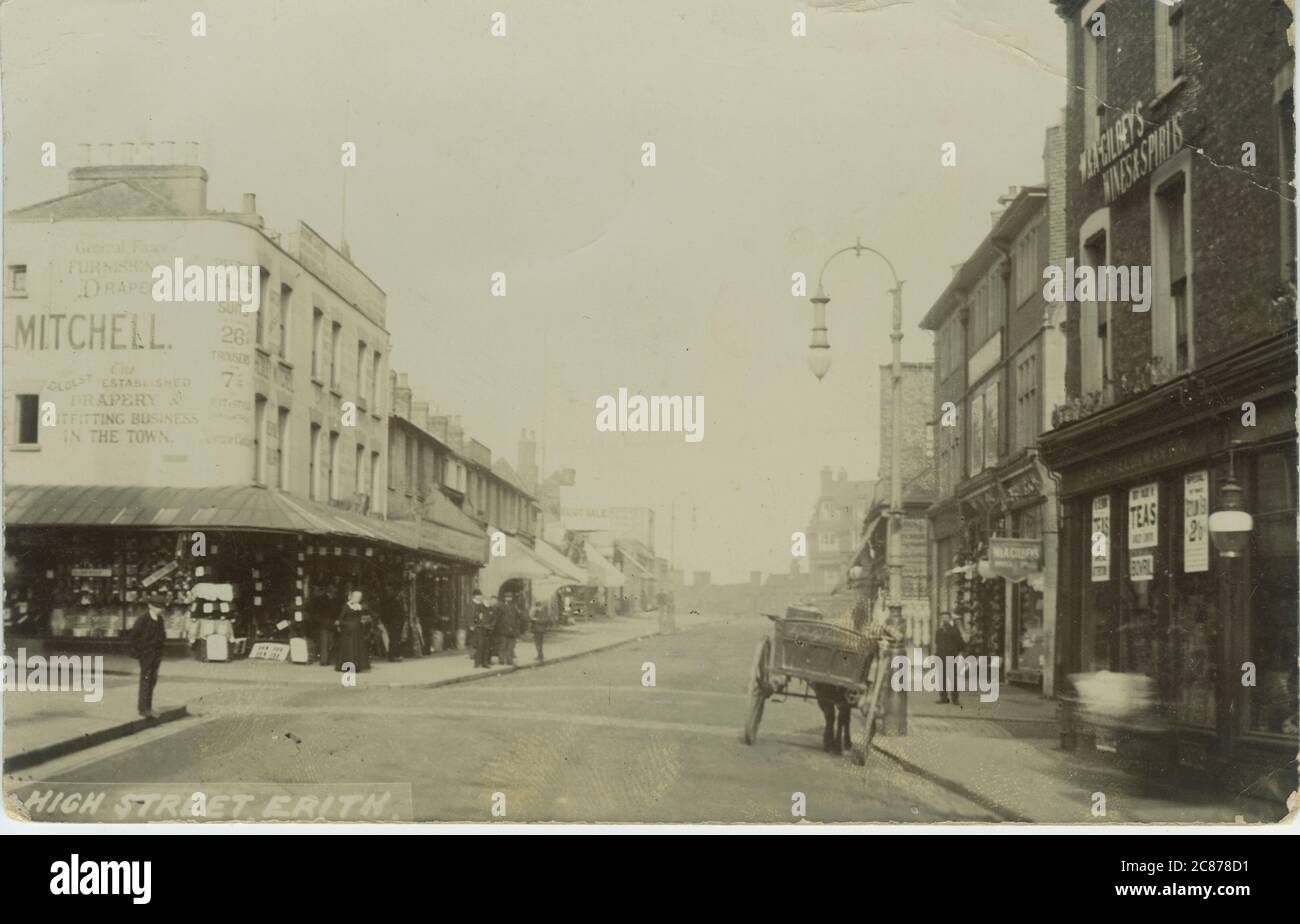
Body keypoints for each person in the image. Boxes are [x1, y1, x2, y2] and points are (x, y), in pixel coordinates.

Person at [128, 594, 168, 719]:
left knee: (152, 680)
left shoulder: (160, 620)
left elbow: (162, 636)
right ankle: (143, 708)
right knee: (146, 680)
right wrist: (139, 653)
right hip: (146, 654)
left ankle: (148, 707)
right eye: (157, 606)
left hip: (156, 655)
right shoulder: (143, 619)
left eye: (161, 607)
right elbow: (134, 636)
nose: (160, 609)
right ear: (150, 606)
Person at [334, 588, 373, 673]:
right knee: (350, 650)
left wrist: (364, 620)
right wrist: (348, 624)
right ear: (352, 597)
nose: (358, 599)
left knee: (358, 648)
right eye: (356, 597)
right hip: (348, 633)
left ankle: (358, 666)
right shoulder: (346, 606)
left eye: (359, 597)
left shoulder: (360, 606)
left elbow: (365, 615)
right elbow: (340, 619)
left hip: (358, 632)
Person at [934, 612, 966, 705]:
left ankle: (955, 699)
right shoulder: (939, 631)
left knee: (953, 678)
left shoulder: (954, 631)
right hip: (941, 657)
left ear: (949, 619)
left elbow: (961, 644)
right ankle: (943, 698)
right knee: (941, 678)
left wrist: (954, 653)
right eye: (943, 617)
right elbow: (937, 643)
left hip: (951, 658)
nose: (944, 619)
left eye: (946, 617)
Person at [314, 579, 339, 667]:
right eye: (332, 588)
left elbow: (337, 612)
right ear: (329, 589)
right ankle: (323, 661)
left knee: (330, 642)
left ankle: (327, 659)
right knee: (324, 643)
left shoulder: (335, 600)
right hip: (324, 624)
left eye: (335, 589)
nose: (334, 590)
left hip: (331, 624)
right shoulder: (320, 599)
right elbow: (317, 614)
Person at [472, 592, 497, 668]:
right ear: (483, 600)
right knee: (480, 646)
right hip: (480, 630)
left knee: (487, 647)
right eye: (486, 599)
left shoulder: (492, 609)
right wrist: (481, 625)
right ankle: (477, 663)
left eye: (489, 600)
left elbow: (494, 620)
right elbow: (475, 618)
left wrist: (490, 626)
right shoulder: (479, 607)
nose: (488, 601)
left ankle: (485, 663)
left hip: (488, 631)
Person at [497, 596, 519, 666]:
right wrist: (501, 627)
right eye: (507, 597)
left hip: (512, 630)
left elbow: (517, 617)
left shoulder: (514, 607)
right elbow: (498, 618)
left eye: (510, 597)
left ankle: (509, 660)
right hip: (503, 629)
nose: (509, 599)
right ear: (505, 598)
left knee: (510, 646)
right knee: (503, 645)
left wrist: (515, 628)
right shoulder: (501, 607)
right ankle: (501, 660)